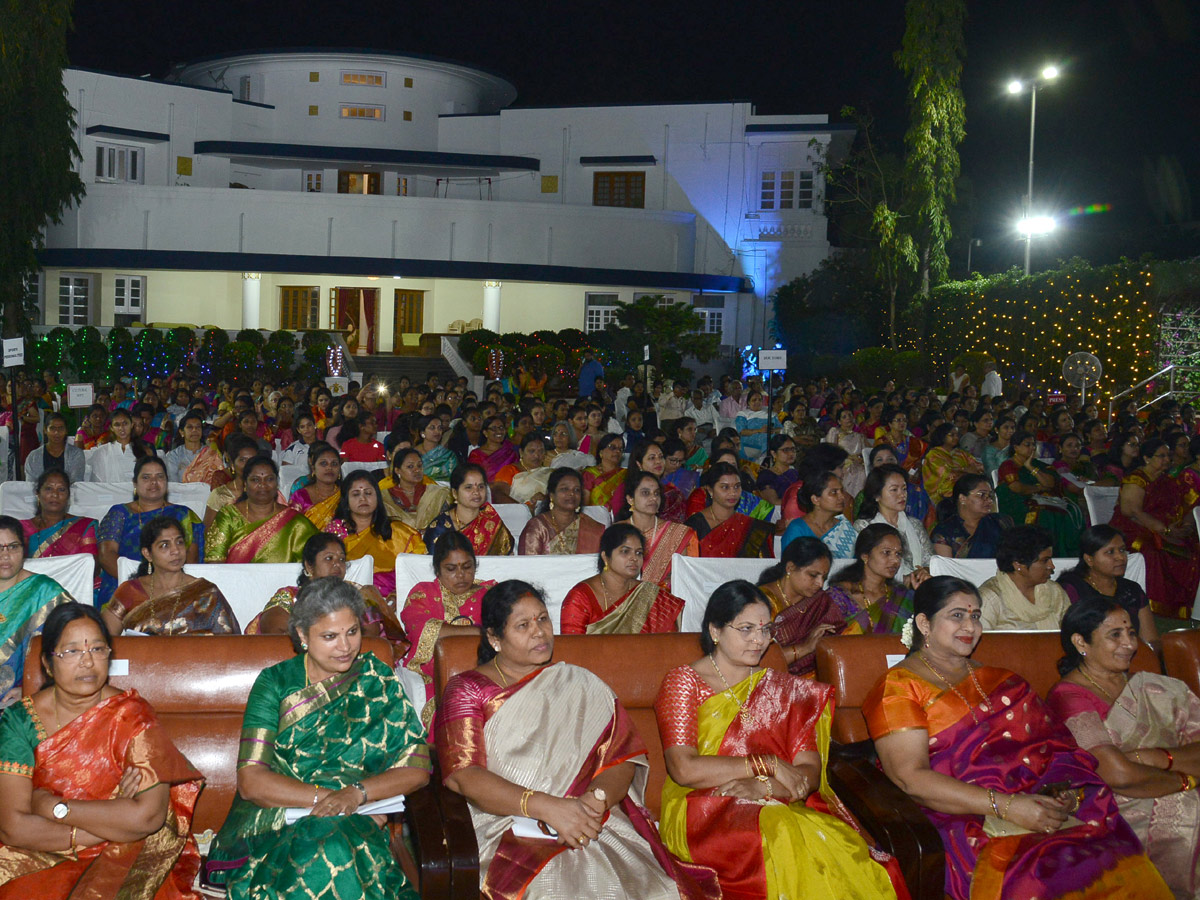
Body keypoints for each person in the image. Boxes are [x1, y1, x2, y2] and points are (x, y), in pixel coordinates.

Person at [865, 577, 1172, 900]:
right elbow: (910, 779)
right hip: (956, 813)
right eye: (957, 615)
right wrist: (1009, 807)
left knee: (1116, 857)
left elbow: (1054, 747)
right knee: (1044, 874)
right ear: (925, 623)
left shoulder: (1002, 680)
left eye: (976, 615)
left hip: (1032, 802)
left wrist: (1065, 791)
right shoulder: (899, 687)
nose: (971, 625)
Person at [437, 580, 717, 900]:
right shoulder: (467, 690)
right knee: (555, 888)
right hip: (505, 823)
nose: (539, 632)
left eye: (543, 619)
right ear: (493, 638)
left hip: (590, 818)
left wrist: (595, 801)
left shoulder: (577, 681)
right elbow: (463, 776)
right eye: (523, 625)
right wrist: (546, 807)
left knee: (653, 888)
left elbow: (623, 756)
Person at [654, 580, 905, 900]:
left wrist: (766, 787)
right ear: (715, 631)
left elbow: (809, 771)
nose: (759, 640)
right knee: (784, 832)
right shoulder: (683, 682)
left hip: (775, 801)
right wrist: (768, 765)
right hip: (697, 806)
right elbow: (684, 769)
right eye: (745, 629)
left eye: (766, 629)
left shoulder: (784, 689)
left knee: (832, 844)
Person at [206, 578, 430, 900]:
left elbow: (417, 767)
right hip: (280, 819)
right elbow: (251, 781)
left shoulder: (377, 678)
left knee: (335, 841)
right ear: (302, 636)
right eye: (330, 636)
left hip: (357, 819)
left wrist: (357, 795)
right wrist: (334, 800)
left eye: (352, 632)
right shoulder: (275, 683)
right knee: (327, 841)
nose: (345, 646)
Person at [0, 603, 205, 897]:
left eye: (97, 649)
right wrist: (106, 822)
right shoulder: (20, 721)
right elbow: (13, 827)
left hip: (129, 850)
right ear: (47, 663)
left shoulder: (132, 715)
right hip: (38, 852)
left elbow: (147, 818)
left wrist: (55, 808)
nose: (87, 662)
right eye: (71, 652)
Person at [1047, 598, 1200, 899]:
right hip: (1111, 803)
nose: (1129, 644)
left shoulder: (1153, 688)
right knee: (1190, 811)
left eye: (1131, 633)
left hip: (1161, 781)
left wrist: (1157, 757)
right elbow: (1115, 772)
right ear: (1081, 642)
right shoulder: (1069, 697)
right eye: (1114, 635)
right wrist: (1187, 781)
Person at [400, 532, 495, 726]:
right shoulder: (423, 593)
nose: (460, 575)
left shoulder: (491, 593)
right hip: (435, 676)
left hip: (487, 672)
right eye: (451, 569)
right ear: (438, 570)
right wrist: (481, 632)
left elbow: (507, 629)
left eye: (467, 567)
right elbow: (423, 631)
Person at [246, 534, 399, 646]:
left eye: (341, 559)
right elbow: (272, 630)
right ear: (309, 566)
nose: (337, 564)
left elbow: (369, 635)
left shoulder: (358, 594)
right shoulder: (290, 595)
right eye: (329, 558)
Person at [1109, 437, 1200, 618]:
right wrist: (1164, 530)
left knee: (1193, 550)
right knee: (1154, 553)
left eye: (1168, 455)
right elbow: (1132, 512)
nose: (1167, 459)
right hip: (1134, 529)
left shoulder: (1168, 480)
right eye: (1161, 456)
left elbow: (1184, 506)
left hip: (1165, 528)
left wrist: (1185, 526)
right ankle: (1153, 605)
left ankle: (1188, 607)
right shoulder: (1136, 479)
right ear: (1146, 458)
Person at [102, 516, 238, 636]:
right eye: (165, 545)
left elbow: (228, 642)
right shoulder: (130, 591)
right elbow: (105, 638)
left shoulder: (205, 593)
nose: (176, 551)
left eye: (179, 542)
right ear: (147, 554)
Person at [96, 457, 201, 607]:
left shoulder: (184, 515)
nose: (153, 482)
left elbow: (191, 559)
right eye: (146, 477)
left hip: (174, 588)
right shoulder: (119, 513)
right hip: (124, 585)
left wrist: (167, 587)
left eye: (160, 477)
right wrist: (140, 587)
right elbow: (106, 556)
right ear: (135, 483)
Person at [0, 516, 74, 707]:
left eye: (13, 546)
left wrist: (33, 687)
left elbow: (76, 644)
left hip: (19, 703)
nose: (5, 555)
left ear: (24, 551)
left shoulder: (44, 592)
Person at [561, 523, 684, 634]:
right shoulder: (580, 597)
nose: (634, 558)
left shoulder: (648, 594)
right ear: (605, 556)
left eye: (638, 553)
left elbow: (668, 642)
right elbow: (572, 647)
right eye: (625, 552)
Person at [1056, 524, 1160, 650]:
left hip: (1130, 658)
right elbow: (1068, 640)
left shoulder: (1132, 589)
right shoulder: (1072, 589)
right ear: (1089, 559)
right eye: (1110, 552)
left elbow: (1150, 640)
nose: (1120, 557)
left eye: (1122, 550)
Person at [324, 470, 425, 597]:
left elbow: (417, 572)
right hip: (345, 598)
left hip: (395, 599)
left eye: (368, 493)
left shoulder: (400, 532)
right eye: (356, 494)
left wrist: (396, 595)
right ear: (346, 502)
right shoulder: (335, 531)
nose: (363, 498)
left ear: (377, 498)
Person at [757, 537, 844, 677]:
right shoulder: (760, 602)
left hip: (814, 681)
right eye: (813, 575)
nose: (820, 584)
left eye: (824, 577)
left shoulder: (820, 602)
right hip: (768, 682)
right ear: (790, 568)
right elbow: (759, 659)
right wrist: (806, 648)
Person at [207, 456, 319, 564]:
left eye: (269, 479)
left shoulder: (294, 522)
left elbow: (314, 562)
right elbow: (214, 563)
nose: (263, 485)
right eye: (255, 480)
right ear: (245, 484)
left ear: (277, 484)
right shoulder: (228, 516)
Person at [996, 432, 1083, 557]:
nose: (1032, 448)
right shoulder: (1008, 465)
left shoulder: (1037, 464)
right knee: (1046, 514)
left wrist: (1031, 467)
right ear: (1016, 447)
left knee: (1072, 509)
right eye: (1027, 445)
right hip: (1017, 504)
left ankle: (1067, 553)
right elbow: (1016, 487)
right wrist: (1038, 488)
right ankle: (1045, 553)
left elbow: (1050, 483)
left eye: (1033, 445)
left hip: (1040, 500)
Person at [826, 524, 916, 635]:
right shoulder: (839, 596)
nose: (895, 560)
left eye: (898, 554)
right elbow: (828, 641)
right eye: (886, 552)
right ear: (865, 556)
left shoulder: (901, 597)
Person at [977, 525, 1070, 631]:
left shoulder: (1055, 592)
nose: (1052, 566)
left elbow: (1072, 633)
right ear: (1018, 565)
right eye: (1044, 560)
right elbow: (982, 642)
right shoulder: (990, 598)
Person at [854, 464, 933, 582]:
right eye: (894, 490)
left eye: (904, 489)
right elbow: (865, 568)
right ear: (876, 495)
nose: (902, 495)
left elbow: (930, 561)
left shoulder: (915, 524)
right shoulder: (864, 527)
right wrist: (906, 579)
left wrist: (922, 573)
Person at [620, 471, 698, 587]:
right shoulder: (617, 532)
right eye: (645, 493)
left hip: (666, 601)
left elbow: (687, 576)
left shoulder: (680, 534)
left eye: (656, 493)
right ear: (630, 499)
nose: (653, 498)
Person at [685, 463, 774, 559]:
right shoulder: (694, 525)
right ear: (710, 490)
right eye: (725, 487)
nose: (733, 493)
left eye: (737, 486)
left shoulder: (751, 526)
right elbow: (688, 567)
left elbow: (764, 567)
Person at [422, 463, 514, 556]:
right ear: (454, 493)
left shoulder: (491, 519)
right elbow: (431, 565)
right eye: (468, 487)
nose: (476, 492)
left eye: (481, 486)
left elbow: (506, 562)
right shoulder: (440, 528)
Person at [518, 468, 604, 555]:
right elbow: (528, 565)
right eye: (564, 489)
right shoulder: (537, 527)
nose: (572, 493)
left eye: (577, 490)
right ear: (551, 495)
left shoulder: (592, 528)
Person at [20, 471, 98, 568]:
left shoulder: (84, 526)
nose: (55, 495)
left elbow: (91, 566)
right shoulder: (22, 528)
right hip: (33, 582)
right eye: (49, 489)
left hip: (74, 581)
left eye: (61, 489)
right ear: (38, 494)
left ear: (68, 496)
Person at [931, 474, 1013, 559]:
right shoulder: (944, 532)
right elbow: (944, 569)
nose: (989, 500)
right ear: (962, 498)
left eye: (990, 495)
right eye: (982, 495)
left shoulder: (1000, 522)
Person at [781, 471, 858, 558]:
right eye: (834, 492)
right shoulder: (798, 530)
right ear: (815, 499)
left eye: (841, 491)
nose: (842, 497)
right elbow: (791, 566)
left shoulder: (844, 527)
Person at [377, 447, 452, 532]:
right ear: (397, 470)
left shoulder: (438, 494)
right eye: (410, 466)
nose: (417, 470)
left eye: (419, 466)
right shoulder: (385, 497)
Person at [609, 441, 687, 522]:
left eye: (661, 457)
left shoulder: (673, 494)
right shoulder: (625, 489)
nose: (658, 461)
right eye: (652, 458)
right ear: (639, 464)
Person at [203, 433, 260, 530]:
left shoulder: (267, 492)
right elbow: (207, 533)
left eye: (253, 459)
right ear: (232, 464)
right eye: (242, 460)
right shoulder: (220, 495)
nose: (249, 464)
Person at [922, 423, 984, 508]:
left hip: (965, 489)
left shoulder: (960, 453)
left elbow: (978, 466)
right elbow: (945, 473)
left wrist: (974, 470)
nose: (956, 437)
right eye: (952, 435)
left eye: (957, 435)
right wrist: (965, 470)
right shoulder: (933, 454)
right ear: (942, 436)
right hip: (944, 493)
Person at [288, 442, 342, 531]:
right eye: (323, 463)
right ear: (313, 468)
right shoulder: (300, 496)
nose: (329, 468)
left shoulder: (345, 495)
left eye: (334, 464)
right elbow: (292, 529)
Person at [90, 408, 153, 483]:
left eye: (125, 423)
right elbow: (97, 484)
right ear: (112, 428)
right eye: (117, 425)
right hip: (110, 493)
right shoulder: (101, 452)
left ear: (132, 425)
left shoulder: (145, 451)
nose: (121, 428)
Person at [164, 410, 224, 485]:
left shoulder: (212, 454)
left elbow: (218, 479)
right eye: (190, 427)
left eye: (198, 427)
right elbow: (173, 483)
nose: (194, 430)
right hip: (180, 494)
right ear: (182, 432)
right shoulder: (173, 456)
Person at [490, 433, 551, 508]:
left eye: (541, 451)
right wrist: (524, 509)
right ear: (521, 452)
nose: (537, 455)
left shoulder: (549, 473)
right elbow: (498, 495)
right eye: (531, 451)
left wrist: (546, 499)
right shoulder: (510, 470)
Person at [23, 413, 85, 484]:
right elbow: (31, 485)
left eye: (61, 428)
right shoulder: (34, 456)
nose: (57, 432)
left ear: (66, 431)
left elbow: (76, 483)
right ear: (45, 430)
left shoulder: (76, 454)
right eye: (52, 428)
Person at [468, 415, 518, 482]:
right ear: (485, 433)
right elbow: (473, 477)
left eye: (501, 428)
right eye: (494, 428)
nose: (499, 431)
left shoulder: (510, 452)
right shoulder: (476, 455)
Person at [581, 433, 626, 507]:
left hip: (620, 517)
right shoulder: (589, 474)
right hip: (593, 516)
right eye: (612, 447)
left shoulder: (625, 474)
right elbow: (585, 505)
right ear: (601, 452)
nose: (617, 451)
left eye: (620, 449)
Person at [411, 414, 457, 481]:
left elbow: (454, 478)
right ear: (422, 432)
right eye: (432, 428)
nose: (437, 431)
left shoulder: (448, 455)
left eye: (440, 428)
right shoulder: (413, 454)